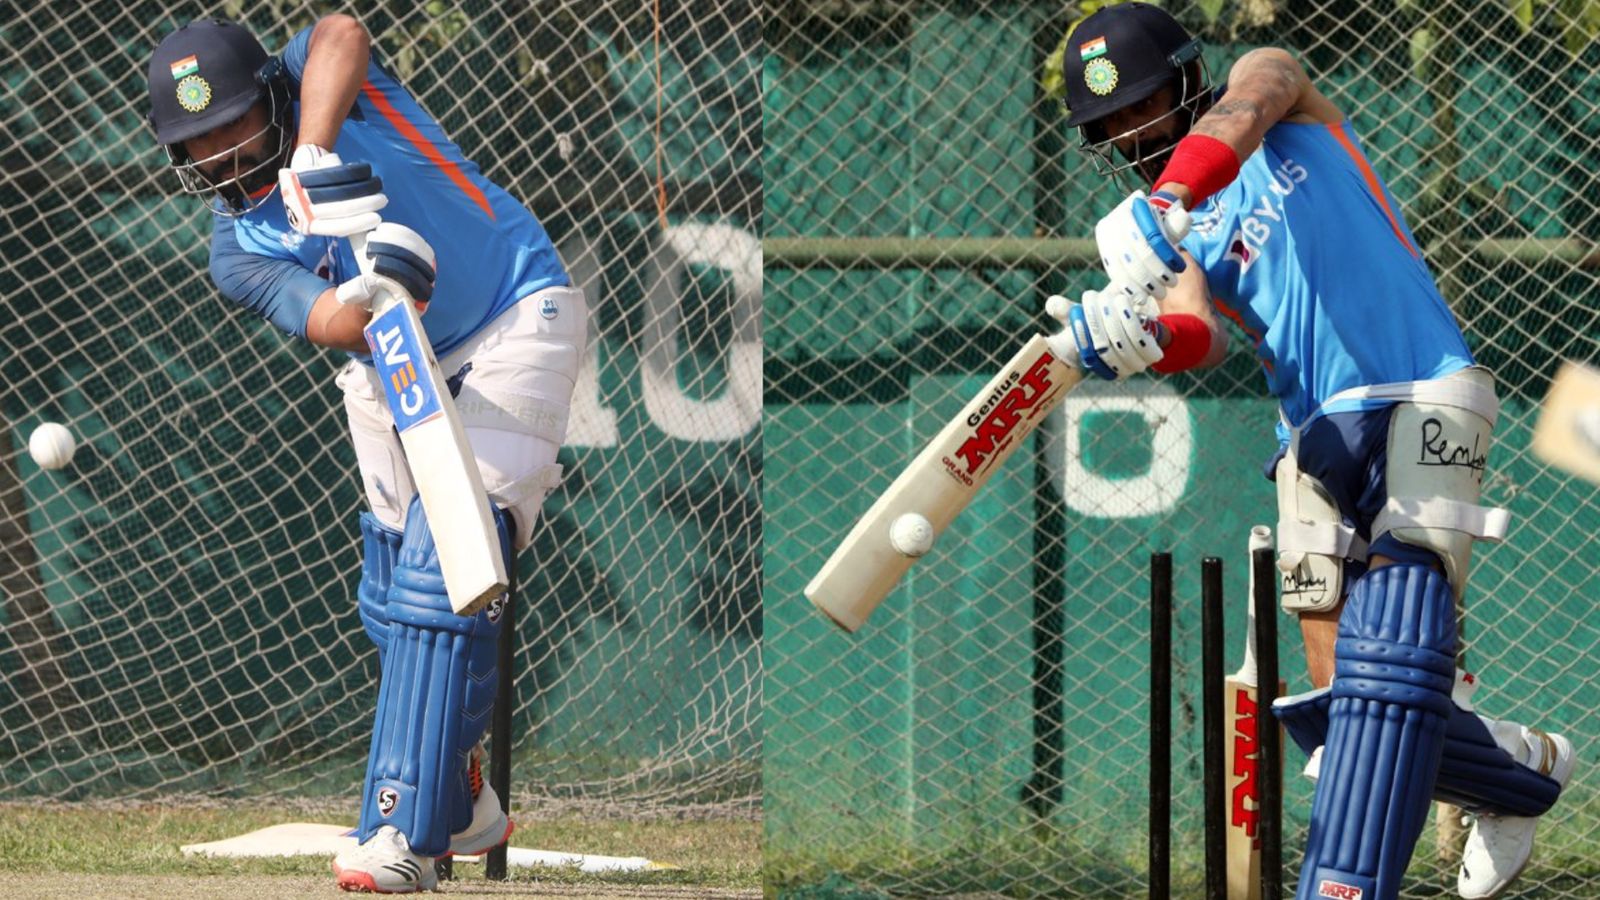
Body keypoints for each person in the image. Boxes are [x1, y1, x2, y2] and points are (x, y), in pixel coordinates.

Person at [1046, 4, 1574, 899]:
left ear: (1184, 80)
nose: (1130, 133)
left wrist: (1176, 196)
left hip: (1423, 390)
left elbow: (1256, 95)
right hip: (1312, 438)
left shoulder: (1283, 101)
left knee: (1389, 666)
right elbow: (1195, 332)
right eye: (1110, 127)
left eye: (1141, 107)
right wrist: (1130, 341)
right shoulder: (1161, 238)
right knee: (1347, 722)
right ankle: (1519, 772)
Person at [146, 15, 586, 893]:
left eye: (232, 123)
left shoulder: (327, 87)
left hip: (512, 315)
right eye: (196, 144)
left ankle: (401, 833)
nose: (220, 154)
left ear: (272, 93)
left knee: (440, 573)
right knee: (394, 604)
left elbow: (341, 28)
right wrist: (385, 291)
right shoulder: (238, 251)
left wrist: (312, 152)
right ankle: (461, 800)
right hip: (387, 360)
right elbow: (331, 321)